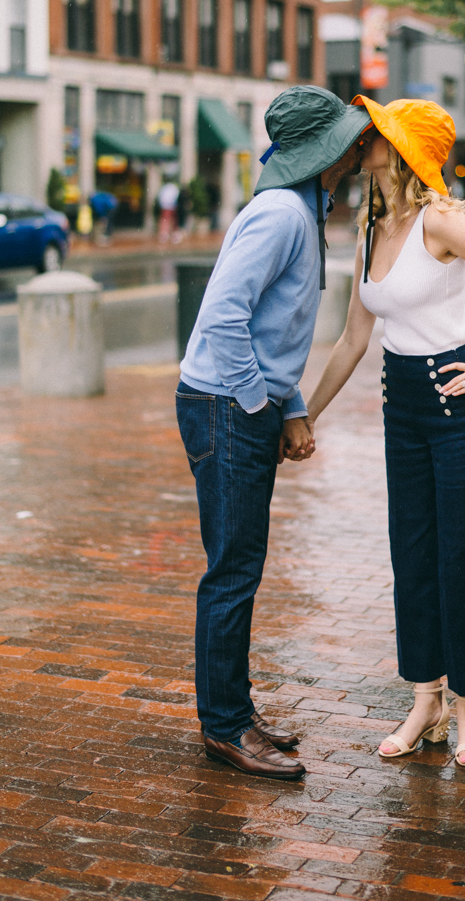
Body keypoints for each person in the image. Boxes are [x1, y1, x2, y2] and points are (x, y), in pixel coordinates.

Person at [306, 96, 465, 767]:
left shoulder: (440, 222)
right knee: (411, 557)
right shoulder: (370, 227)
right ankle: (426, 701)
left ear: (403, 149)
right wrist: (306, 413)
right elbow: (354, 338)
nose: (364, 141)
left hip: (456, 402)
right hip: (402, 404)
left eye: (377, 133)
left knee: (462, 557)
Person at [176, 86, 371, 782]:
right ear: (324, 153)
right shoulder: (281, 217)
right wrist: (262, 407)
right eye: (348, 146)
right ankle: (224, 728)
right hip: (225, 407)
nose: (356, 158)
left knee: (241, 566)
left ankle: (232, 709)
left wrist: (289, 408)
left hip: (239, 405)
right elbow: (224, 316)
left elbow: (270, 331)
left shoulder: (301, 212)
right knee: (232, 570)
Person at [157, 178, 180, 243]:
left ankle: (166, 234)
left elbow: (161, 197)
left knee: (166, 219)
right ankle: (166, 234)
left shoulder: (165, 188)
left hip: (167, 206)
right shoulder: (172, 187)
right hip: (170, 206)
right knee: (169, 219)